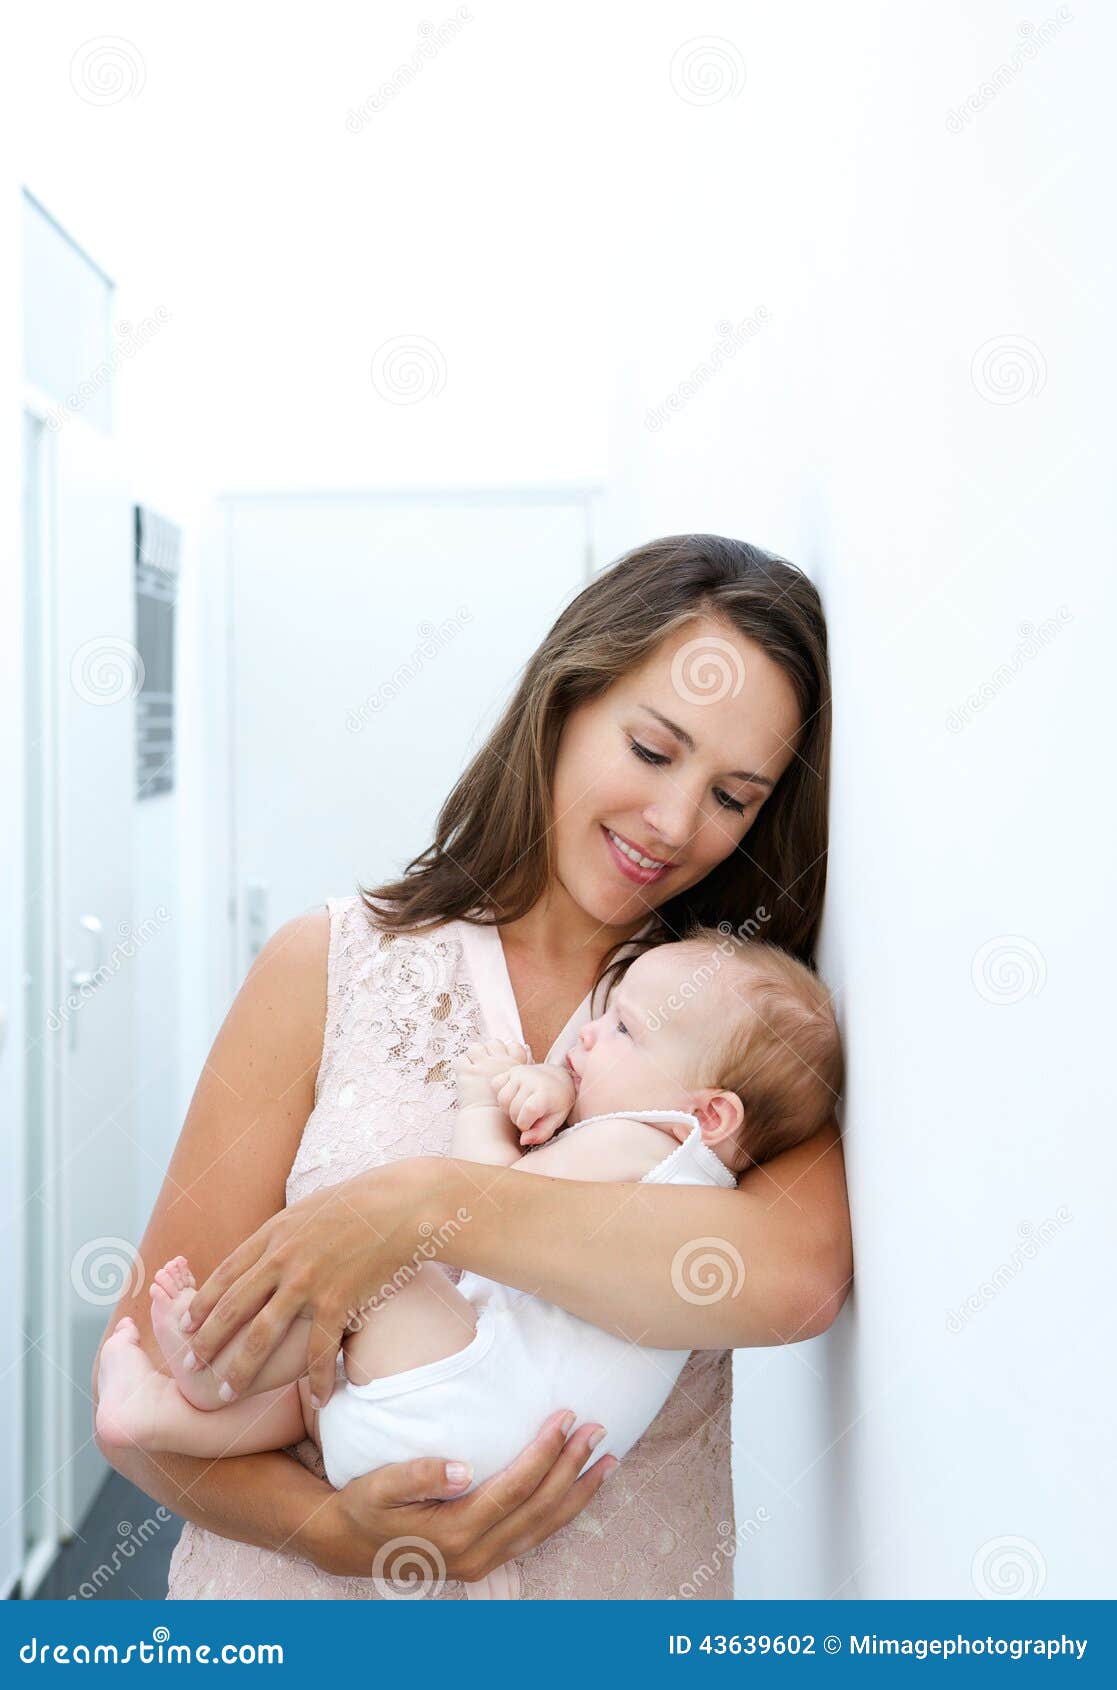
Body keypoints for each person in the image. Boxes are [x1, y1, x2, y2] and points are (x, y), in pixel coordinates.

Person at [92, 533, 853, 1600]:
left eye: (733, 796)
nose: (675, 823)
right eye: (649, 749)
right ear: (563, 705)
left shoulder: (747, 1030)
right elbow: (146, 1390)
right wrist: (334, 1532)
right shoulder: (328, 966)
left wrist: (416, 1207)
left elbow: (794, 1279)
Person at [93, 929, 842, 1510]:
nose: (588, 1033)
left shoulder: (635, 1143)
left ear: (707, 1112)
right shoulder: (699, 1182)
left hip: (464, 1407)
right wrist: (560, 1088)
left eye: (623, 1030)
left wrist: (486, 1102)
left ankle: (208, 1372)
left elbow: (484, 1203)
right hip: (479, 1438)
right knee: (318, 1380)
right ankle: (161, 1415)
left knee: (367, 1270)